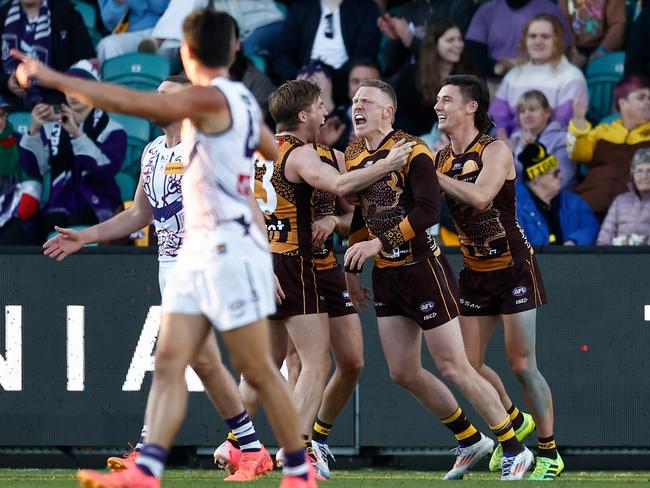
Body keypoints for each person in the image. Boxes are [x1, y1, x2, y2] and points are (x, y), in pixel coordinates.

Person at [13, 7, 318, 488]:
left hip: (226, 250)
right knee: (174, 359)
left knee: (254, 366)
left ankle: (292, 469)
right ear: (235, 49)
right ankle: (149, 467)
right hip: (192, 256)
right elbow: (264, 149)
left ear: (188, 52)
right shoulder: (228, 105)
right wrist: (87, 236)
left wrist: (52, 75)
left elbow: (127, 102)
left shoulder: (208, 101)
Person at [41, 76, 275, 482]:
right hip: (170, 265)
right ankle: (251, 449)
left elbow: (247, 201)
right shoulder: (151, 152)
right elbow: (139, 215)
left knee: (177, 357)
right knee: (203, 361)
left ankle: (148, 456)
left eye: (165, 96)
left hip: (211, 260)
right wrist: (88, 236)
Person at [344, 78, 533, 480]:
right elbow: (362, 214)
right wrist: (351, 271)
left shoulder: (414, 149)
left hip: (422, 269)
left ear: (387, 111)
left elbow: (429, 213)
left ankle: (515, 449)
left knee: (455, 365)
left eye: (366, 101)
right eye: (354, 100)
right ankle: (468, 439)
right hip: (387, 276)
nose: (357, 107)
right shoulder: (355, 151)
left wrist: (379, 244)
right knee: (402, 371)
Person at [243, 78, 410, 477]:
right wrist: (387, 164)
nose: (326, 111)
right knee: (308, 362)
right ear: (303, 115)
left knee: (340, 361)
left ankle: (242, 442)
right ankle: (297, 450)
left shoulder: (267, 152)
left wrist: (334, 218)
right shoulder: (303, 156)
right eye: (320, 105)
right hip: (296, 263)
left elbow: (352, 211)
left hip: (305, 264)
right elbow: (340, 184)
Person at [435, 74, 563, 480]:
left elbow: (480, 196)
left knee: (522, 365)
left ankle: (549, 452)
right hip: (474, 271)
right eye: (437, 100)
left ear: (471, 106)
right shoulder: (440, 158)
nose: (438, 106)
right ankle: (513, 420)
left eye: (447, 100)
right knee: (466, 365)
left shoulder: (496, 150)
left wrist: (424, 169)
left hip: (513, 268)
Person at [18, 60, 126, 242]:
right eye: (68, 88)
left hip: (99, 203)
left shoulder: (114, 130)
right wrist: (34, 129)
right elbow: (34, 168)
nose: (73, 94)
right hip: (60, 204)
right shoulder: (53, 126)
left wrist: (77, 134)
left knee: (77, 219)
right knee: (45, 223)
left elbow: (104, 171)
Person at [489, 13, 587, 139]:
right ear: (525, 40)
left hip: (553, 148)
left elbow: (563, 123)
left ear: (557, 41)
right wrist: (503, 146)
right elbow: (498, 118)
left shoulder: (572, 76)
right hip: (512, 148)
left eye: (545, 36)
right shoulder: (513, 76)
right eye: (532, 36)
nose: (538, 41)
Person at [271, 0, 382, 105]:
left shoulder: (366, 8)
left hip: (343, 80)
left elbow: (364, 54)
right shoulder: (302, 7)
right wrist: (297, 77)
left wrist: (329, 79)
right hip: (303, 76)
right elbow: (281, 53)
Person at [569, 75, 650, 219]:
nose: (648, 102)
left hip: (633, 215)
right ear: (623, 103)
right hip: (590, 207)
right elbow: (580, 155)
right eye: (641, 97)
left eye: (649, 98)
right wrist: (579, 122)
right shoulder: (603, 131)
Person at [0, 0, 96, 111]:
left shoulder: (68, 16)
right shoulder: (2, 16)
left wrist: (54, 80)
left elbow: (87, 64)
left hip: (60, 100)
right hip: (10, 102)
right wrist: (6, 82)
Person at [391, 16, 478, 137]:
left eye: (459, 39)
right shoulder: (411, 74)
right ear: (434, 44)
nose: (458, 44)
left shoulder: (469, 73)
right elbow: (401, 116)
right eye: (450, 40)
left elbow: (477, 113)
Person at [464, 0, 572, 82]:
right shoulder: (487, 10)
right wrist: (498, 67)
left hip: (541, 81)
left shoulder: (551, 10)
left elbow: (564, 51)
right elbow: (472, 51)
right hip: (495, 82)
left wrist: (528, 67)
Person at [516, 142, 600, 245]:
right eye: (555, 173)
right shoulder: (515, 209)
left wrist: (574, 241)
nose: (561, 176)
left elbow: (592, 226)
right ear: (537, 180)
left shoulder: (574, 202)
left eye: (559, 171)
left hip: (569, 261)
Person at [376, 0, 478, 77]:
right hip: (411, 82)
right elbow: (391, 66)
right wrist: (396, 40)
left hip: (446, 82)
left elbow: (458, 55)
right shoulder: (405, 11)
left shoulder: (461, 5)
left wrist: (411, 39)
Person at [509, 90, 576, 189]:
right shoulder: (517, 140)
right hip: (522, 199)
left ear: (548, 112)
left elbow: (562, 180)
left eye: (532, 109)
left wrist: (531, 154)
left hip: (556, 200)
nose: (527, 115)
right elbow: (515, 179)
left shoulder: (563, 139)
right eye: (522, 111)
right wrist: (508, 157)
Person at [0, 100, 40, 245]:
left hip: (16, 216)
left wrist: (10, 218)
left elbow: (33, 188)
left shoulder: (22, 143)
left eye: (1, 115)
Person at [597, 147, 650, 245]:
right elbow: (604, 238)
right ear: (632, 174)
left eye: (649, 171)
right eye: (639, 171)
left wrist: (644, 242)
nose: (644, 176)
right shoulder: (620, 201)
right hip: (620, 258)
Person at [97, 0, 170, 63]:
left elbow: (162, 7)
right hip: (131, 34)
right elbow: (109, 23)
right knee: (107, 46)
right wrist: (117, 3)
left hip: (166, 33)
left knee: (172, 48)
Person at [559, 0, 626, 68]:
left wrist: (603, 50)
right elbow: (563, 23)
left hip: (602, 47)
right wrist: (572, 51)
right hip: (575, 49)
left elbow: (617, 24)